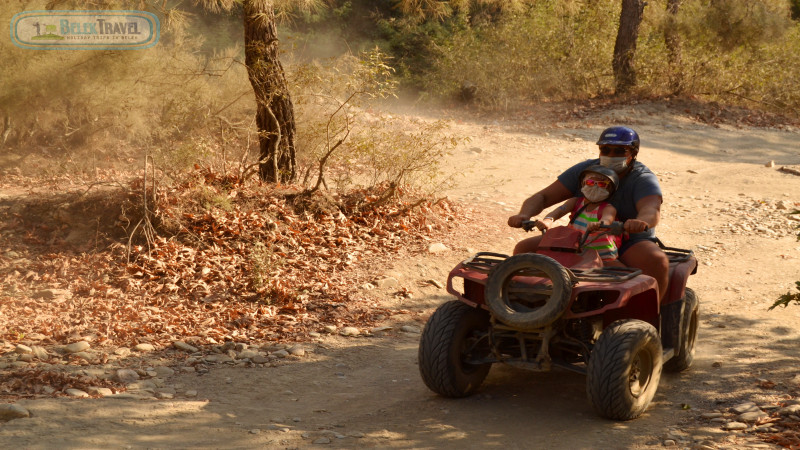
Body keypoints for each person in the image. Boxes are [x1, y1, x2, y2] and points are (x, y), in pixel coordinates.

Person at [508, 126, 669, 300]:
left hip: (628, 239)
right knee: (524, 249)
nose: (611, 155)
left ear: (633, 153)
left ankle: (650, 316)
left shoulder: (642, 178)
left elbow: (651, 209)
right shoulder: (586, 171)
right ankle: (526, 303)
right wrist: (524, 215)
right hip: (579, 236)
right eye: (605, 149)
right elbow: (544, 196)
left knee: (657, 260)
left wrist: (641, 222)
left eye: (620, 151)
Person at [532, 165, 624, 267]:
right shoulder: (575, 202)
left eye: (601, 184)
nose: (594, 187)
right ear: (583, 183)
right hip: (574, 250)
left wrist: (599, 224)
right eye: (590, 183)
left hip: (603, 256)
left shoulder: (608, 208)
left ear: (610, 189)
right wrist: (548, 220)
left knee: (622, 274)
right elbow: (559, 211)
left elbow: (607, 219)